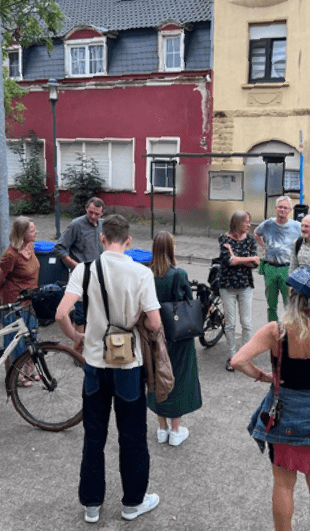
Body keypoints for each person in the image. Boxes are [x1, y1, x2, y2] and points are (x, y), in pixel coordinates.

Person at [231, 267, 310, 531]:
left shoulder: (276, 330)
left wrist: (264, 376)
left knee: (283, 485)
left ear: (291, 295)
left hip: (284, 414)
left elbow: (238, 360)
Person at [55, 215, 161, 524]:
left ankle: (92, 505)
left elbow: (62, 313)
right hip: (128, 365)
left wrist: (76, 337)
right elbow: (155, 323)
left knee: (94, 436)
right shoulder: (141, 273)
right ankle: (132, 503)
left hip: (95, 364)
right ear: (128, 241)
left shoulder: (84, 270)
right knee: (132, 436)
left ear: (102, 238)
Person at [147, 231, 202, 446]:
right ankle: (176, 430)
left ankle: (162, 428)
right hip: (178, 335)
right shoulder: (179, 274)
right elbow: (187, 300)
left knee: (157, 377)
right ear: (171, 248)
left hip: (154, 333)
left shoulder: (146, 273)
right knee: (178, 378)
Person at [0, 217, 40, 387]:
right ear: (22, 233)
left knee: (31, 336)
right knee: (15, 341)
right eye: (32, 230)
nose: (36, 232)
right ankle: (15, 375)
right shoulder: (11, 255)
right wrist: (1, 293)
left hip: (30, 299)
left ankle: (29, 370)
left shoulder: (30, 246)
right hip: (15, 302)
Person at [54, 197, 105, 338]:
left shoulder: (103, 226)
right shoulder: (76, 225)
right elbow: (59, 248)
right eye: (90, 212)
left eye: (97, 214)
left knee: (97, 312)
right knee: (81, 313)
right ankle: (79, 345)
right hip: (81, 276)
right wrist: (76, 265)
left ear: (102, 213)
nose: (93, 216)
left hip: (98, 276)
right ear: (86, 208)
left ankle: (93, 341)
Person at [219, 210, 260, 372]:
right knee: (230, 323)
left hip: (245, 285)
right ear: (237, 223)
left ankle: (244, 357)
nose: (249, 225)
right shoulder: (224, 238)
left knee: (246, 323)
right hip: (227, 286)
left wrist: (236, 257)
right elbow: (228, 261)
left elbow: (255, 263)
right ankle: (232, 356)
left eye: (249, 222)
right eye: (246, 222)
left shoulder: (250, 239)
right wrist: (246, 259)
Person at [254, 196, 301, 322]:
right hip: (270, 268)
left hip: (287, 268)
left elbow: (308, 239)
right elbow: (256, 232)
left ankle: (289, 329)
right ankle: (273, 328)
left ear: (290, 210)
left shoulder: (296, 226)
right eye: (280, 207)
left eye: (285, 208)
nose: (282, 210)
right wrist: (263, 245)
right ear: (275, 208)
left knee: (289, 304)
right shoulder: (268, 224)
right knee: (271, 304)